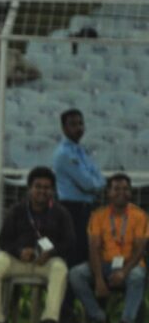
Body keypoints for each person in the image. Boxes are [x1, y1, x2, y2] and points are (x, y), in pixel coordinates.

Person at [0, 167, 73, 323]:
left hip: (45, 263)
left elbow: (70, 242)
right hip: (18, 261)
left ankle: (49, 321)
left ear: (52, 190)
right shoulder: (17, 210)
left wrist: (50, 253)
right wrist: (19, 251)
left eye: (47, 187)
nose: (42, 191)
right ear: (30, 188)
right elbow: (3, 240)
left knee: (60, 268)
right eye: (38, 186)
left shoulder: (60, 213)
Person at [68, 173, 147, 323]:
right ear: (108, 193)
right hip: (103, 264)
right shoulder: (98, 216)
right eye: (116, 189)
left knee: (138, 275)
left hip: (129, 265)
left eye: (126, 189)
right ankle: (100, 318)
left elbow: (140, 250)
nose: (121, 192)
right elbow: (93, 248)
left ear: (130, 193)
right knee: (76, 274)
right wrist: (98, 279)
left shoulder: (140, 216)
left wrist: (123, 272)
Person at [52, 109, 105, 271]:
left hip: (86, 209)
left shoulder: (80, 150)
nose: (78, 128)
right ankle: (66, 296)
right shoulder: (64, 154)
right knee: (73, 257)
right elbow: (89, 184)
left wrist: (96, 184)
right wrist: (95, 185)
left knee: (85, 254)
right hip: (71, 210)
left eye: (80, 123)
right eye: (73, 124)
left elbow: (100, 179)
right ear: (64, 128)